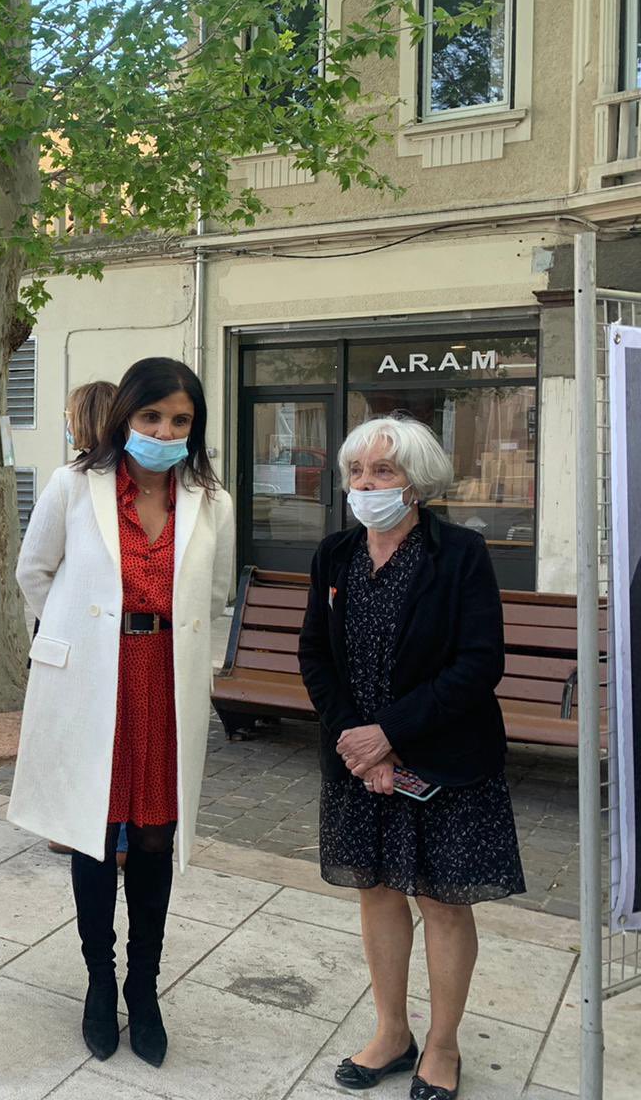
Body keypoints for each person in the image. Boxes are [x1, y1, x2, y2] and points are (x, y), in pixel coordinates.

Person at [10, 356, 235, 1069]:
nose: (165, 431)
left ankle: (145, 985)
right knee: (91, 831)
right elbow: (33, 571)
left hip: (164, 681)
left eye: (180, 420)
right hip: (95, 683)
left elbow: (219, 593)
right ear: (125, 418)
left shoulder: (212, 500)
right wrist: (77, 637)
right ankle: (98, 982)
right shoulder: (75, 486)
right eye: (151, 417)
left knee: (153, 837)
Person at [299, 416, 524, 1100]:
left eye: (383, 472)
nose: (365, 485)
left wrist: (389, 734)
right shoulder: (335, 556)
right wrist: (357, 744)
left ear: (417, 484)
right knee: (378, 892)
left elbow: (479, 663)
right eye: (357, 473)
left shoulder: (459, 554)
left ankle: (443, 1047)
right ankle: (392, 1032)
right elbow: (316, 655)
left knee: (443, 901)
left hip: (443, 758)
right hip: (360, 764)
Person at [46, 381, 117, 857]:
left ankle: (118, 834)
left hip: (124, 640)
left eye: (70, 415)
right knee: (76, 737)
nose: (67, 424)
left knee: (112, 742)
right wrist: (63, 621)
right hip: (76, 640)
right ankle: (73, 826)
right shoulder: (69, 480)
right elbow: (34, 569)